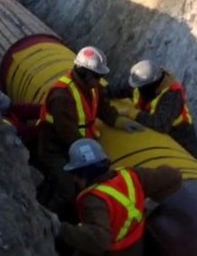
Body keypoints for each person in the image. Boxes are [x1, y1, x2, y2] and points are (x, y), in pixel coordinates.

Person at [45, 139, 182, 256]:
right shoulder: (131, 176)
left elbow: (99, 242)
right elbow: (173, 176)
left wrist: (61, 229)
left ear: (86, 173)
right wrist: (150, 203)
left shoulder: (95, 200)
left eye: (77, 174)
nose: (75, 180)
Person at [35, 46, 141, 215]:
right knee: (68, 189)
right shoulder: (62, 96)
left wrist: (119, 121)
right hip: (55, 150)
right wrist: (92, 164)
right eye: (98, 76)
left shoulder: (92, 87)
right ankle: (47, 218)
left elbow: (103, 109)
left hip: (79, 144)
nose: (100, 80)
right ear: (84, 73)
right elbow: (68, 135)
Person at [114, 59, 197, 157]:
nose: (137, 88)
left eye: (141, 87)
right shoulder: (142, 83)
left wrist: (131, 113)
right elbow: (119, 89)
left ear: (152, 84)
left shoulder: (172, 95)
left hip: (181, 137)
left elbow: (161, 124)